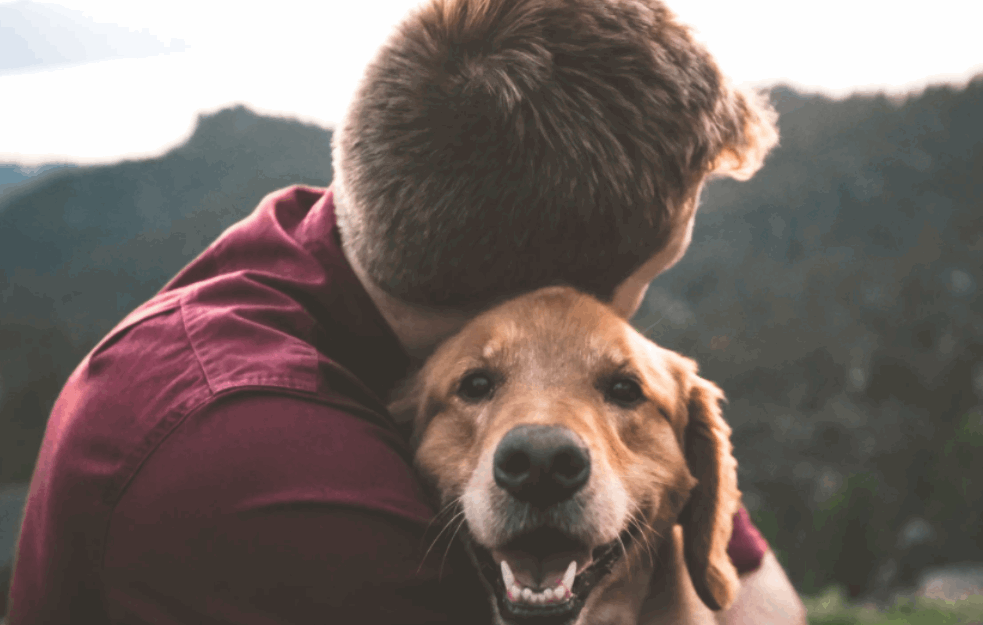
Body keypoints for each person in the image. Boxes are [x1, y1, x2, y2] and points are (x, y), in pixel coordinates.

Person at [6, 0, 804, 623]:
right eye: (647, 278)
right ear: (549, 297)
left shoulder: (347, 240)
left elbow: (758, 589)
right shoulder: (268, 470)